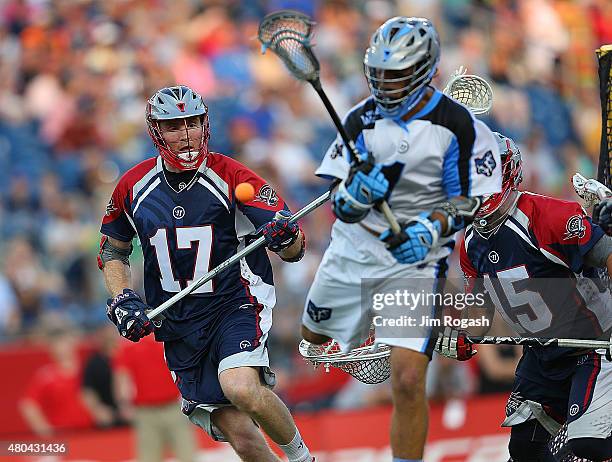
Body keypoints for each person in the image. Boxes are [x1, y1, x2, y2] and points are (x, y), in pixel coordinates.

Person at [300, 17, 503, 462]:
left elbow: (470, 199)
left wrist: (430, 228)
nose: (385, 83)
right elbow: (338, 200)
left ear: (425, 68)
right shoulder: (359, 118)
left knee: (409, 380)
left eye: (397, 73)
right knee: (311, 338)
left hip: (415, 260)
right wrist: (354, 196)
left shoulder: (459, 126)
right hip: (354, 249)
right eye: (380, 73)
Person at [98, 85, 313, 462]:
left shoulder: (232, 176)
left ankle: (303, 458)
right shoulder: (133, 186)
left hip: (234, 303)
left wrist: (285, 235)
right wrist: (121, 297)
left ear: (205, 124)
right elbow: (112, 248)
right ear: (156, 132)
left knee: (242, 388)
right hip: (179, 320)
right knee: (240, 436)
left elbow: (295, 250)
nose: (186, 135)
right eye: (174, 127)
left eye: (193, 124)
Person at [436, 133, 612, 461]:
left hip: (593, 343)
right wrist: (460, 337)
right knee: (524, 449)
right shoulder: (471, 244)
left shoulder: (548, 216)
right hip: (543, 354)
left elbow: (607, 254)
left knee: (592, 442)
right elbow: (479, 312)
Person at [113, 334, 196, 462]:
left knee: (150, 457)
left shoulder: (128, 346)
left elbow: (122, 378)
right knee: (186, 454)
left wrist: (124, 404)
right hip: (166, 408)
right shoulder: (169, 339)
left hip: (156, 409)